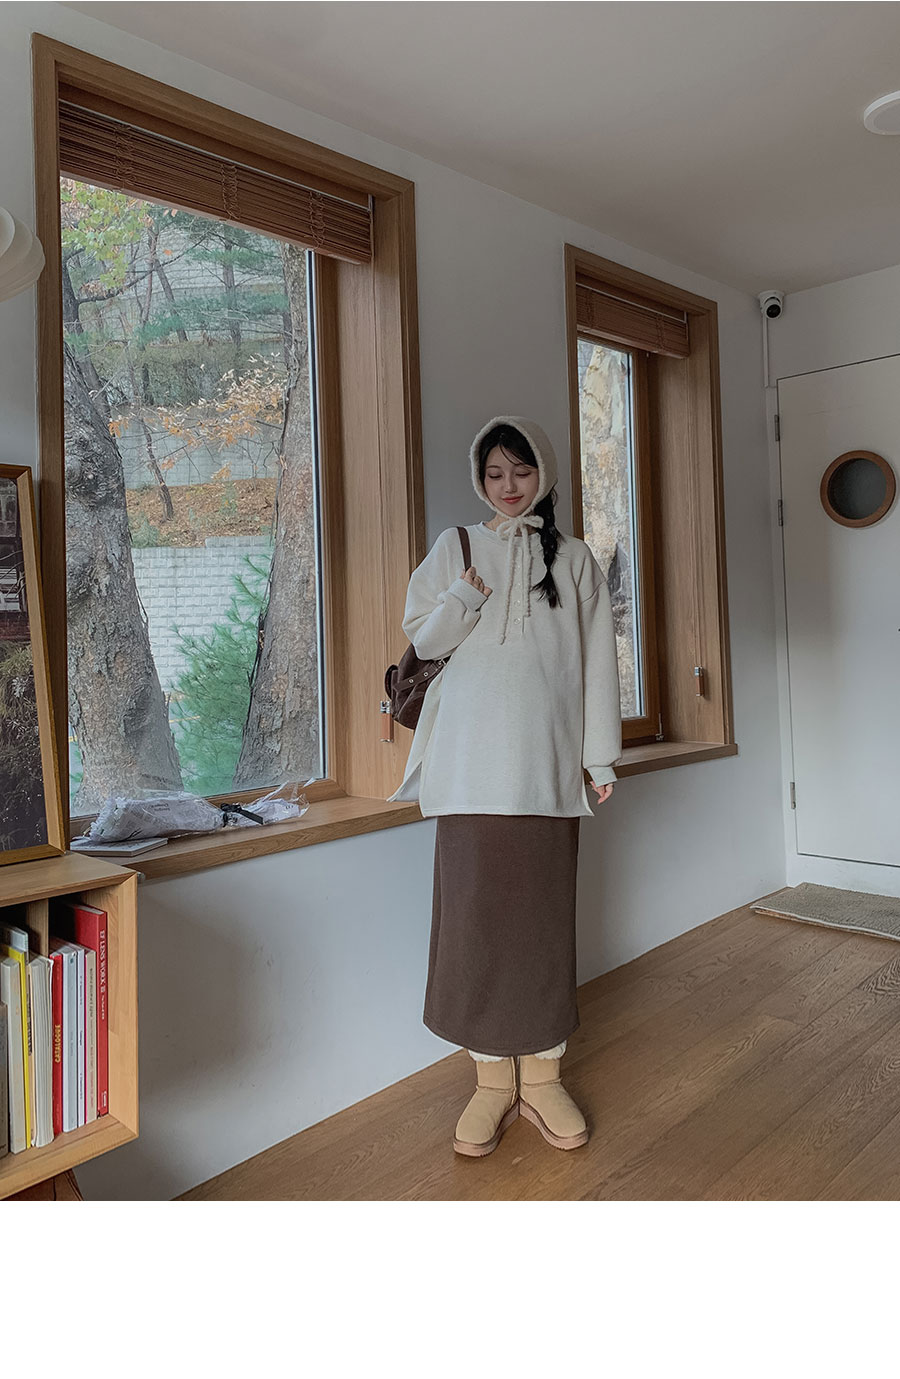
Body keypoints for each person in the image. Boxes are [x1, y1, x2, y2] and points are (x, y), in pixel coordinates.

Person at [387, 415, 621, 1157]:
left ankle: (543, 1078)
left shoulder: (575, 559)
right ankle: (491, 1082)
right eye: (495, 473)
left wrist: (600, 758)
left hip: (546, 769)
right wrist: (463, 596)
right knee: (475, 926)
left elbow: (597, 663)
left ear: (542, 473)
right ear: (479, 478)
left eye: (521, 471)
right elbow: (422, 640)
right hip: (466, 772)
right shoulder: (454, 547)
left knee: (542, 924)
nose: (509, 485)